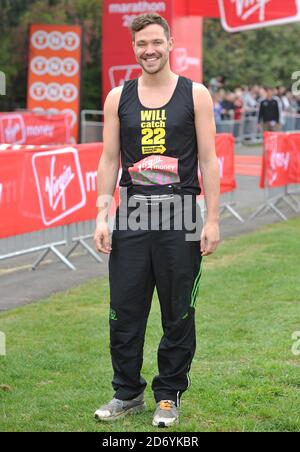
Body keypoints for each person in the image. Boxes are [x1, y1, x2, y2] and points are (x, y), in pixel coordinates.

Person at [93, 13, 220, 428]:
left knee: (178, 312)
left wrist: (213, 219)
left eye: (155, 42)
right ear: (134, 48)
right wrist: (100, 211)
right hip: (131, 212)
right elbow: (109, 158)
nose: (148, 50)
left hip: (181, 212)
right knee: (124, 310)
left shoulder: (195, 94)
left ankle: (169, 395)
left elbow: (208, 159)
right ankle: (127, 392)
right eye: (140, 44)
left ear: (169, 42)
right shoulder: (118, 97)